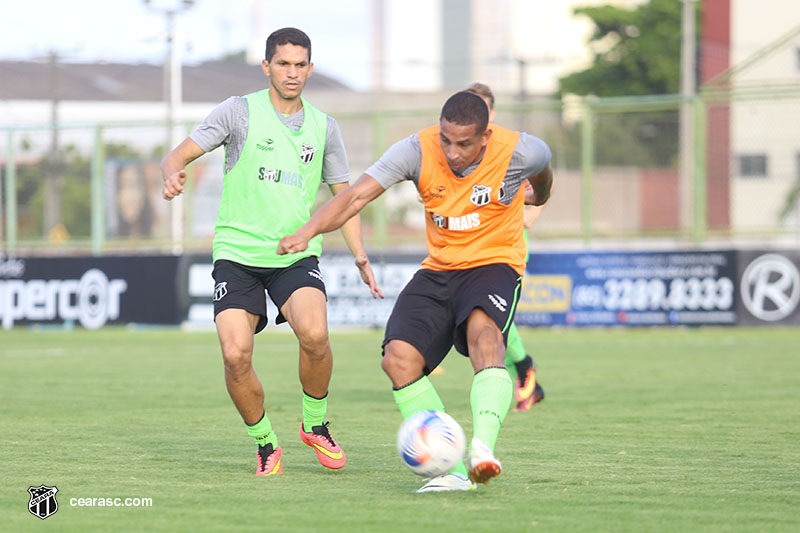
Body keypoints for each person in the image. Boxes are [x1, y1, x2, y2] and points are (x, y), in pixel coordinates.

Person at [278, 91, 553, 492]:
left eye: (463, 143)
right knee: (398, 359)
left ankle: (482, 450)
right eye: (446, 139)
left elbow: (543, 174)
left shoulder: (521, 150)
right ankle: (452, 471)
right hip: (439, 269)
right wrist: (306, 232)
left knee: (485, 337)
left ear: (485, 136)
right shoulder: (416, 150)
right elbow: (355, 195)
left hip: (494, 264)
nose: (452, 152)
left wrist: (535, 196)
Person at [161, 27, 383, 476]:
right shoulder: (239, 112)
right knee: (235, 355)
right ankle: (264, 442)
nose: (292, 72)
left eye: (301, 64)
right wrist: (171, 172)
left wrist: (360, 255)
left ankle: (315, 424)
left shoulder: (324, 127)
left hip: (294, 254)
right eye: (283, 63)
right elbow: (178, 154)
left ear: (310, 68)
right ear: (267, 66)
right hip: (237, 254)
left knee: (316, 336)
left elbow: (348, 200)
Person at [465, 82, 545, 412]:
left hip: (507, 245)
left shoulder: (513, 148)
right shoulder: (458, 149)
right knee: (483, 318)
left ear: (492, 113)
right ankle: (525, 378)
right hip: (471, 245)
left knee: (493, 318)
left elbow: (543, 180)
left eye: (481, 109)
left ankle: (523, 370)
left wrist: (532, 212)